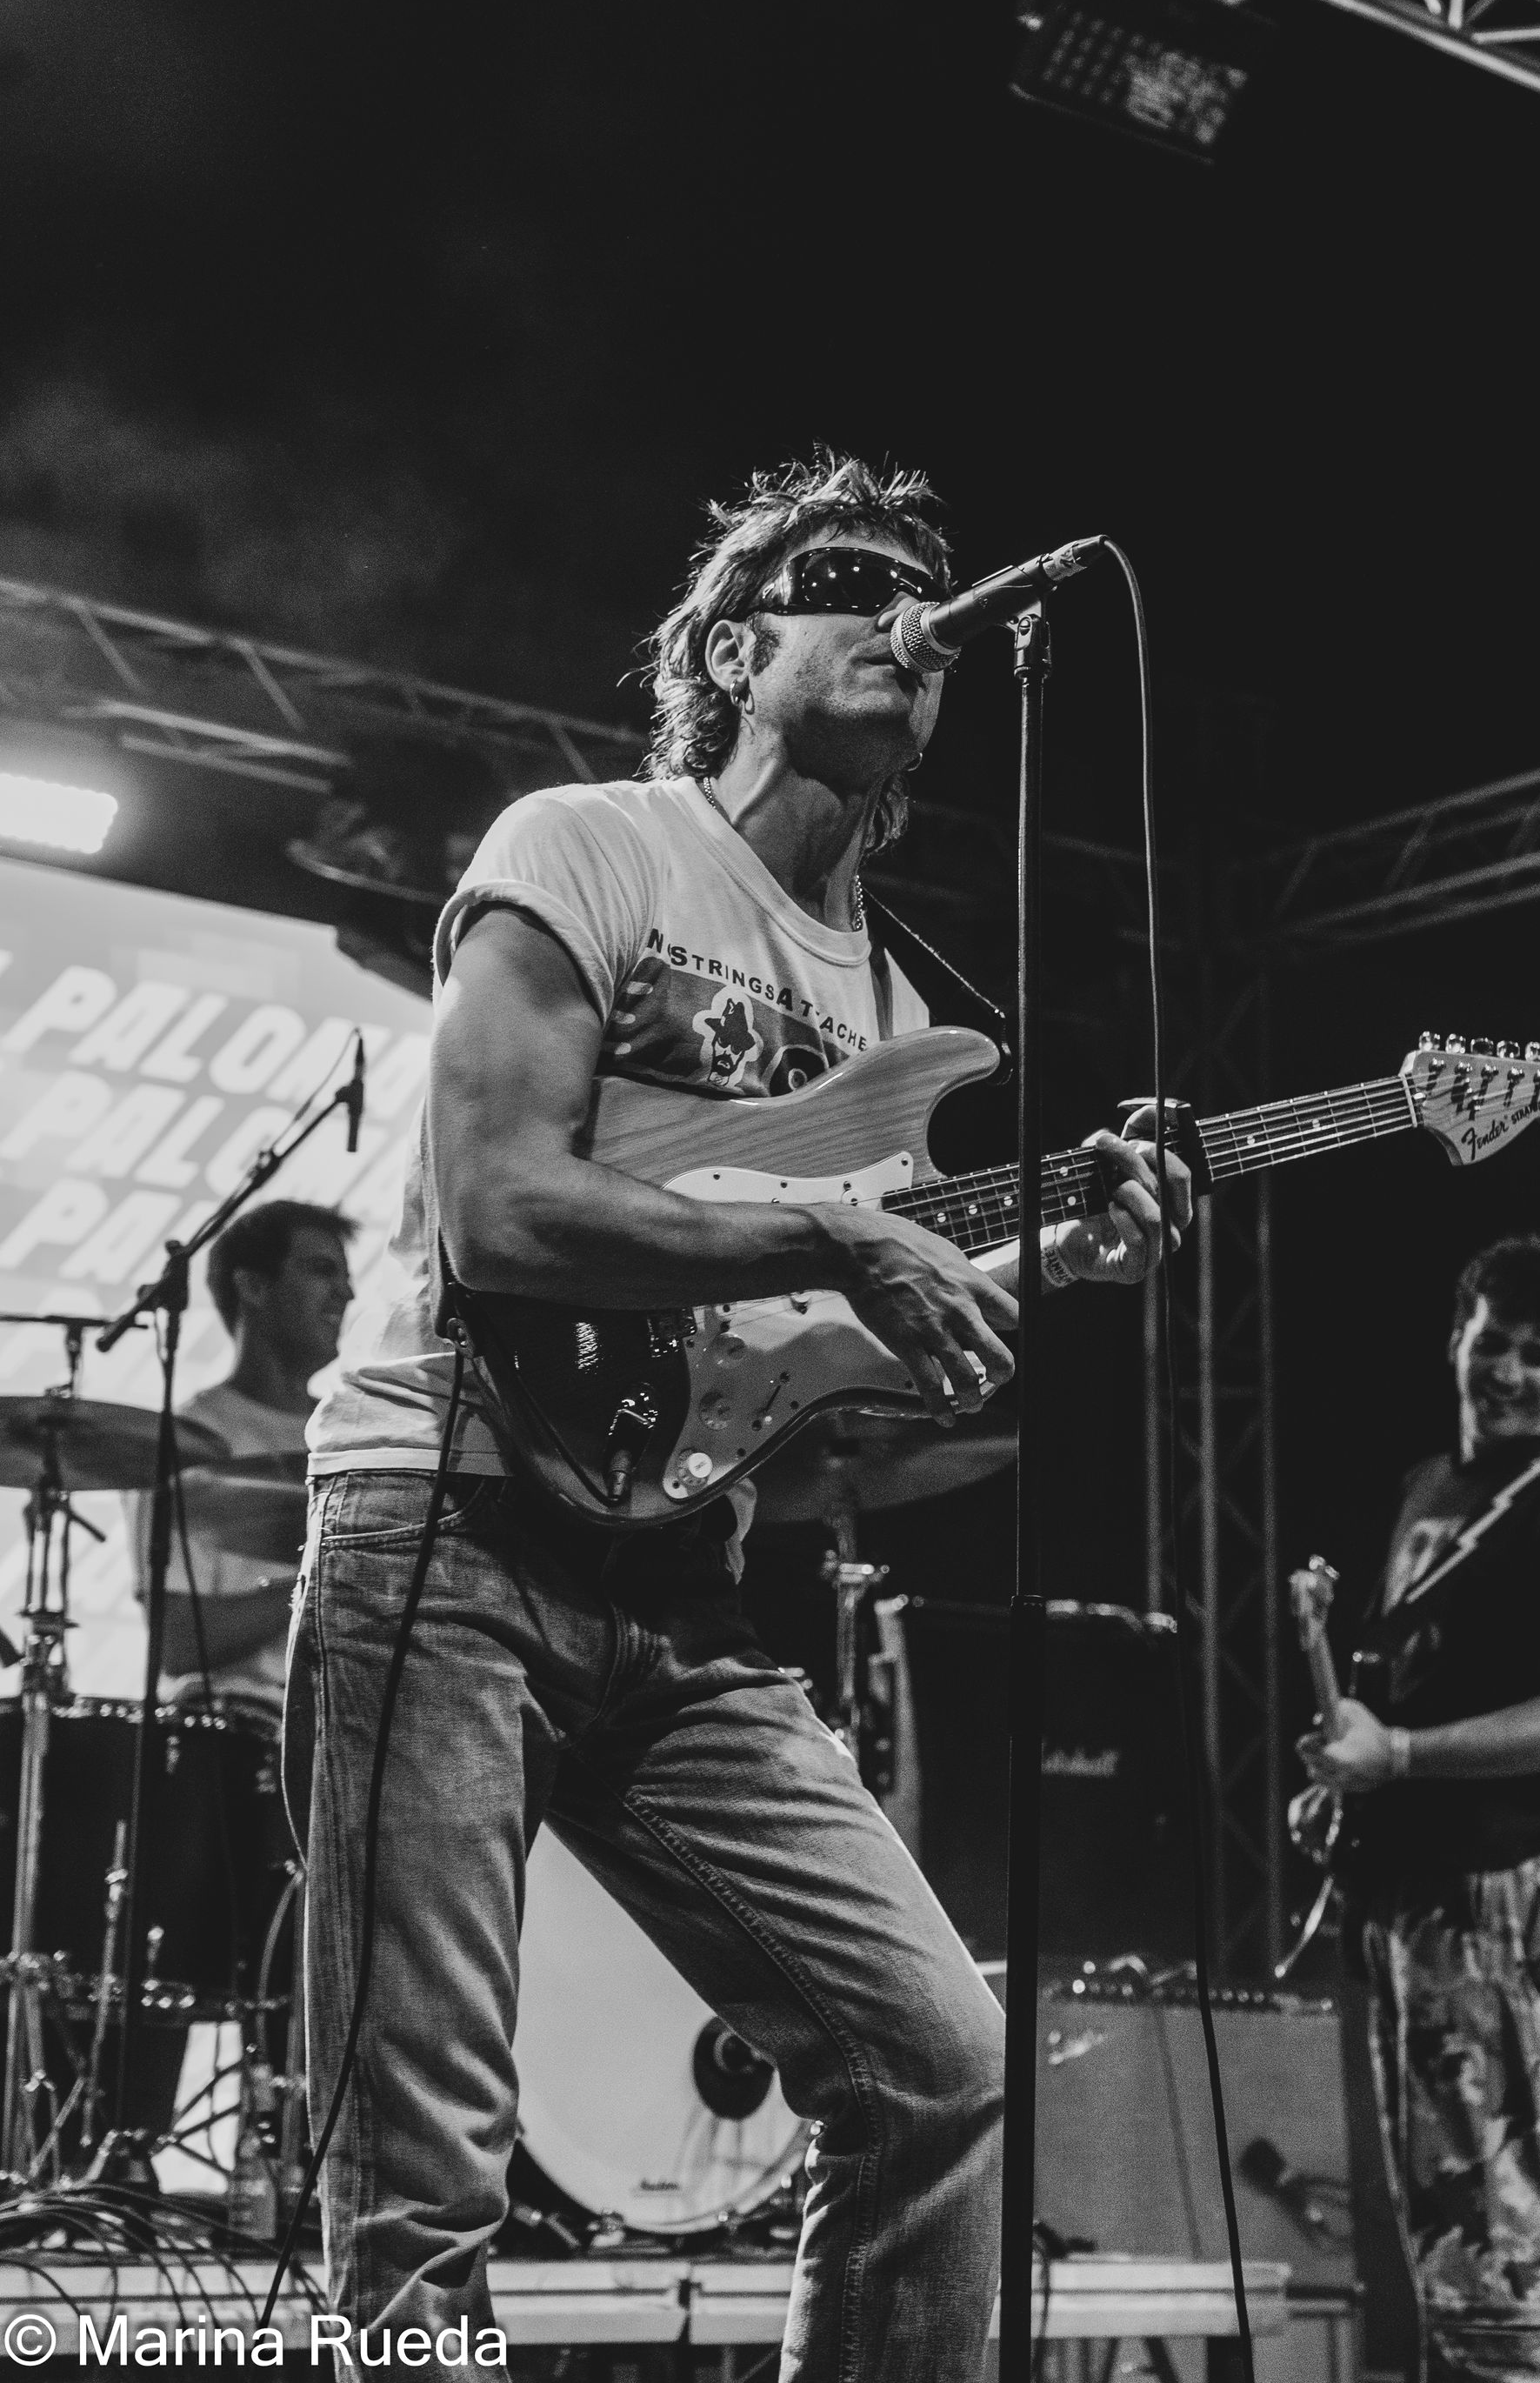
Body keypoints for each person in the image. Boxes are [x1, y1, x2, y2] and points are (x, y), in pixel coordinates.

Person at [292, 451, 1191, 2383]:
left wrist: (1051, 1271)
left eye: (928, 595)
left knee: (937, 2063)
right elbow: (500, 1211)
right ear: (726, 645)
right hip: (445, 1521)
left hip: (680, 1587)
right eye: (854, 578)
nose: (911, 620)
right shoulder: (590, 845)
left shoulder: (890, 1008)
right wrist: (837, 1236)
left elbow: (809, 1344)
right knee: (423, 2182)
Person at [1299, 1234, 1540, 2383]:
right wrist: (1345, 1785)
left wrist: (1395, 1753)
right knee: (1450, 2240)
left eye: (1538, 1355)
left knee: (1501, 2238)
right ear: (1456, 1339)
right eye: (1492, 1342)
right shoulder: (1422, 1492)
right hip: (1411, 1900)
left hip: (1502, 1898)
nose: (1509, 1373)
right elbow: (1410, 1701)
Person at [130, 1198, 357, 1717]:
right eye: (322, 1270)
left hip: (346, 1724)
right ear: (253, 1287)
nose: (346, 1293)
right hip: (231, 1731)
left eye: (345, 1276)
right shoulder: (184, 1441)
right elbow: (180, 1644)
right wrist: (322, 1579)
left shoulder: (353, 1432)